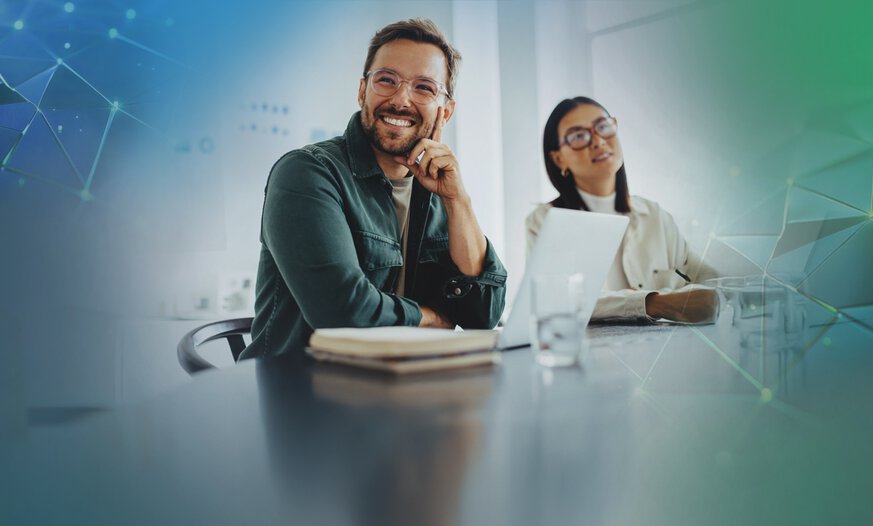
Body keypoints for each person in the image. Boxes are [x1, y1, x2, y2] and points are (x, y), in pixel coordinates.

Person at [241, 19, 506, 358]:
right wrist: (430, 318)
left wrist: (458, 200)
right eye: (387, 80)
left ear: (446, 110)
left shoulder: (438, 189)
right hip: (300, 393)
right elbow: (341, 311)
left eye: (423, 87)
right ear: (362, 90)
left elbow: (484, 314)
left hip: (399, 387)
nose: (401, 100)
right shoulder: (306, 173)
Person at [526, 96, 718, 323]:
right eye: (579, 136)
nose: (597, 141)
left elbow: (711, 285)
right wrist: (654, 303)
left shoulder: (654, 215)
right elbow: (555, 301)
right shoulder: (545, 221)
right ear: (559, 159)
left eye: (603, 127)